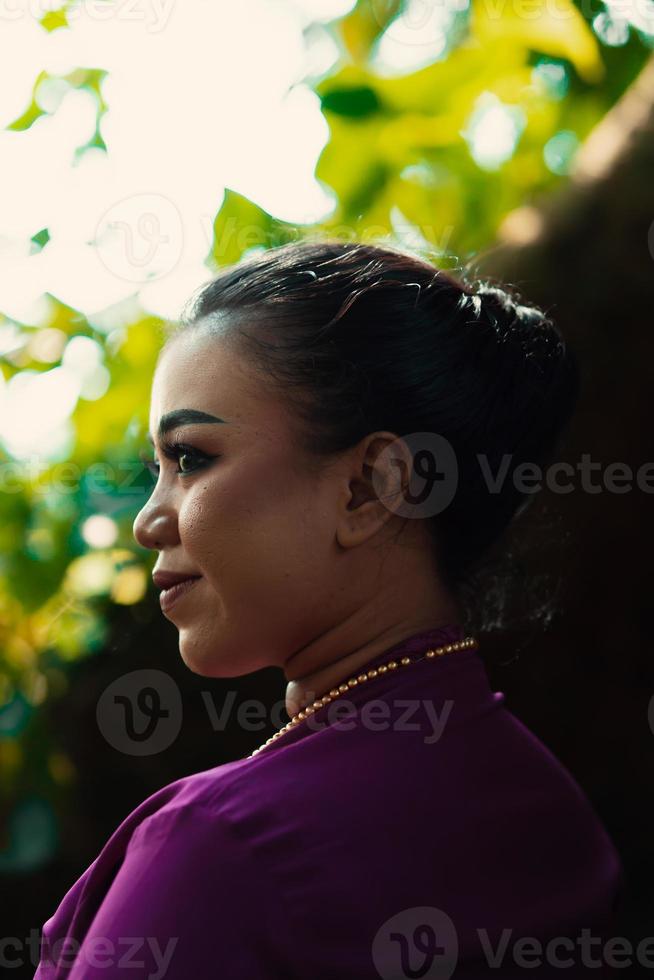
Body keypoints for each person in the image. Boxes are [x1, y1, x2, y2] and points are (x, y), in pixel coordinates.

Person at [35, 240, 623, 979]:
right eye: (157, 469)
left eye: (191, 458)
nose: (147, 521)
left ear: (370, 490)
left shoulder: (226, 845)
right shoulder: (553, 818)